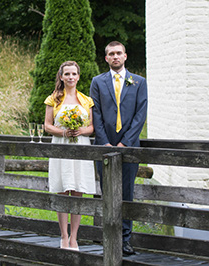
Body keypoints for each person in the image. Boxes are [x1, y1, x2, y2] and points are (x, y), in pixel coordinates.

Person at [89, 41, 147, 255]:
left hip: (130, 147)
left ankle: (125, 240)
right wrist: (105, 142)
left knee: (126, 194)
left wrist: (124, 143)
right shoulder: (97, 81)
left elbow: (141, 115)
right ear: (106, 58)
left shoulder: (139, 82)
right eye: (111, 54)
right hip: (103, 146)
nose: (115, 56)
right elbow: (95, 112)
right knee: (107, 194)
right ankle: (109, 238)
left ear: (125, 56)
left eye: (118, 53)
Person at [44, 61, 96, 251]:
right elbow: (47, 125)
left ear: (79, 76)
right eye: (67, 74)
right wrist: (63, 132)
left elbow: (91, 127)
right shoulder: (53, 99)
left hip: (80, 146)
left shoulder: (86, 100)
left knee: (78, 190)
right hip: (61, 146)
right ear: (61, 77)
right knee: (63, 189)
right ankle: (63, 236)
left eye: (74, 74)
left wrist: (82, 130)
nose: (71, 77)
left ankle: (74, 237)